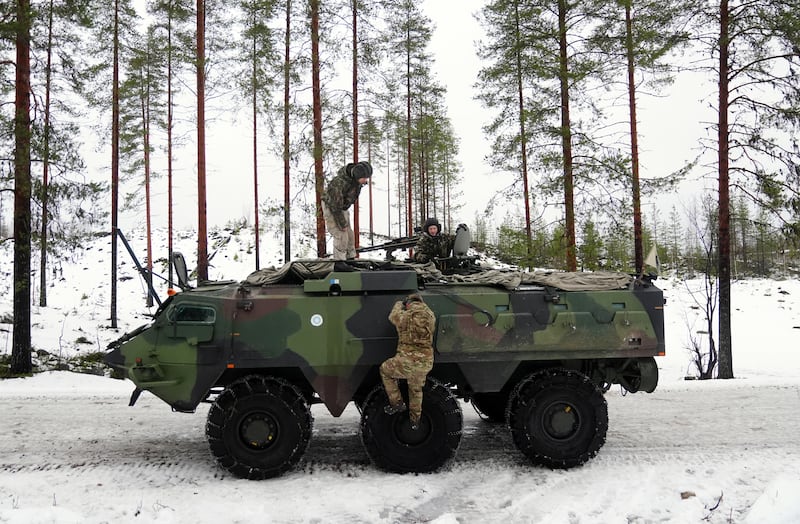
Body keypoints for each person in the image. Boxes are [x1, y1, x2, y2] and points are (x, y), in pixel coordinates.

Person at [380, 293, 436, 430]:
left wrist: (399, 304)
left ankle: (397, 403)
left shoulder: (405, 316)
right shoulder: (430, 315)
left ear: (409, 304)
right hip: (425, 361)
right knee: (416, 390)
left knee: (385, 370)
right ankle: (415, 421)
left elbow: (392, 316)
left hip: (407, 361)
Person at [321, 161, 373, 259]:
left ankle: (350, 258)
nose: (366, 180)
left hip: (342, 207)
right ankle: (339, 262)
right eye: (364, 178)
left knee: (349, 235)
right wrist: (342, 223)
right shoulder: (338, 183)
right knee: (341, 235)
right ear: (358, 175)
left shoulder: (355, 182)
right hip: (332, 207)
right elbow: (335, 206)